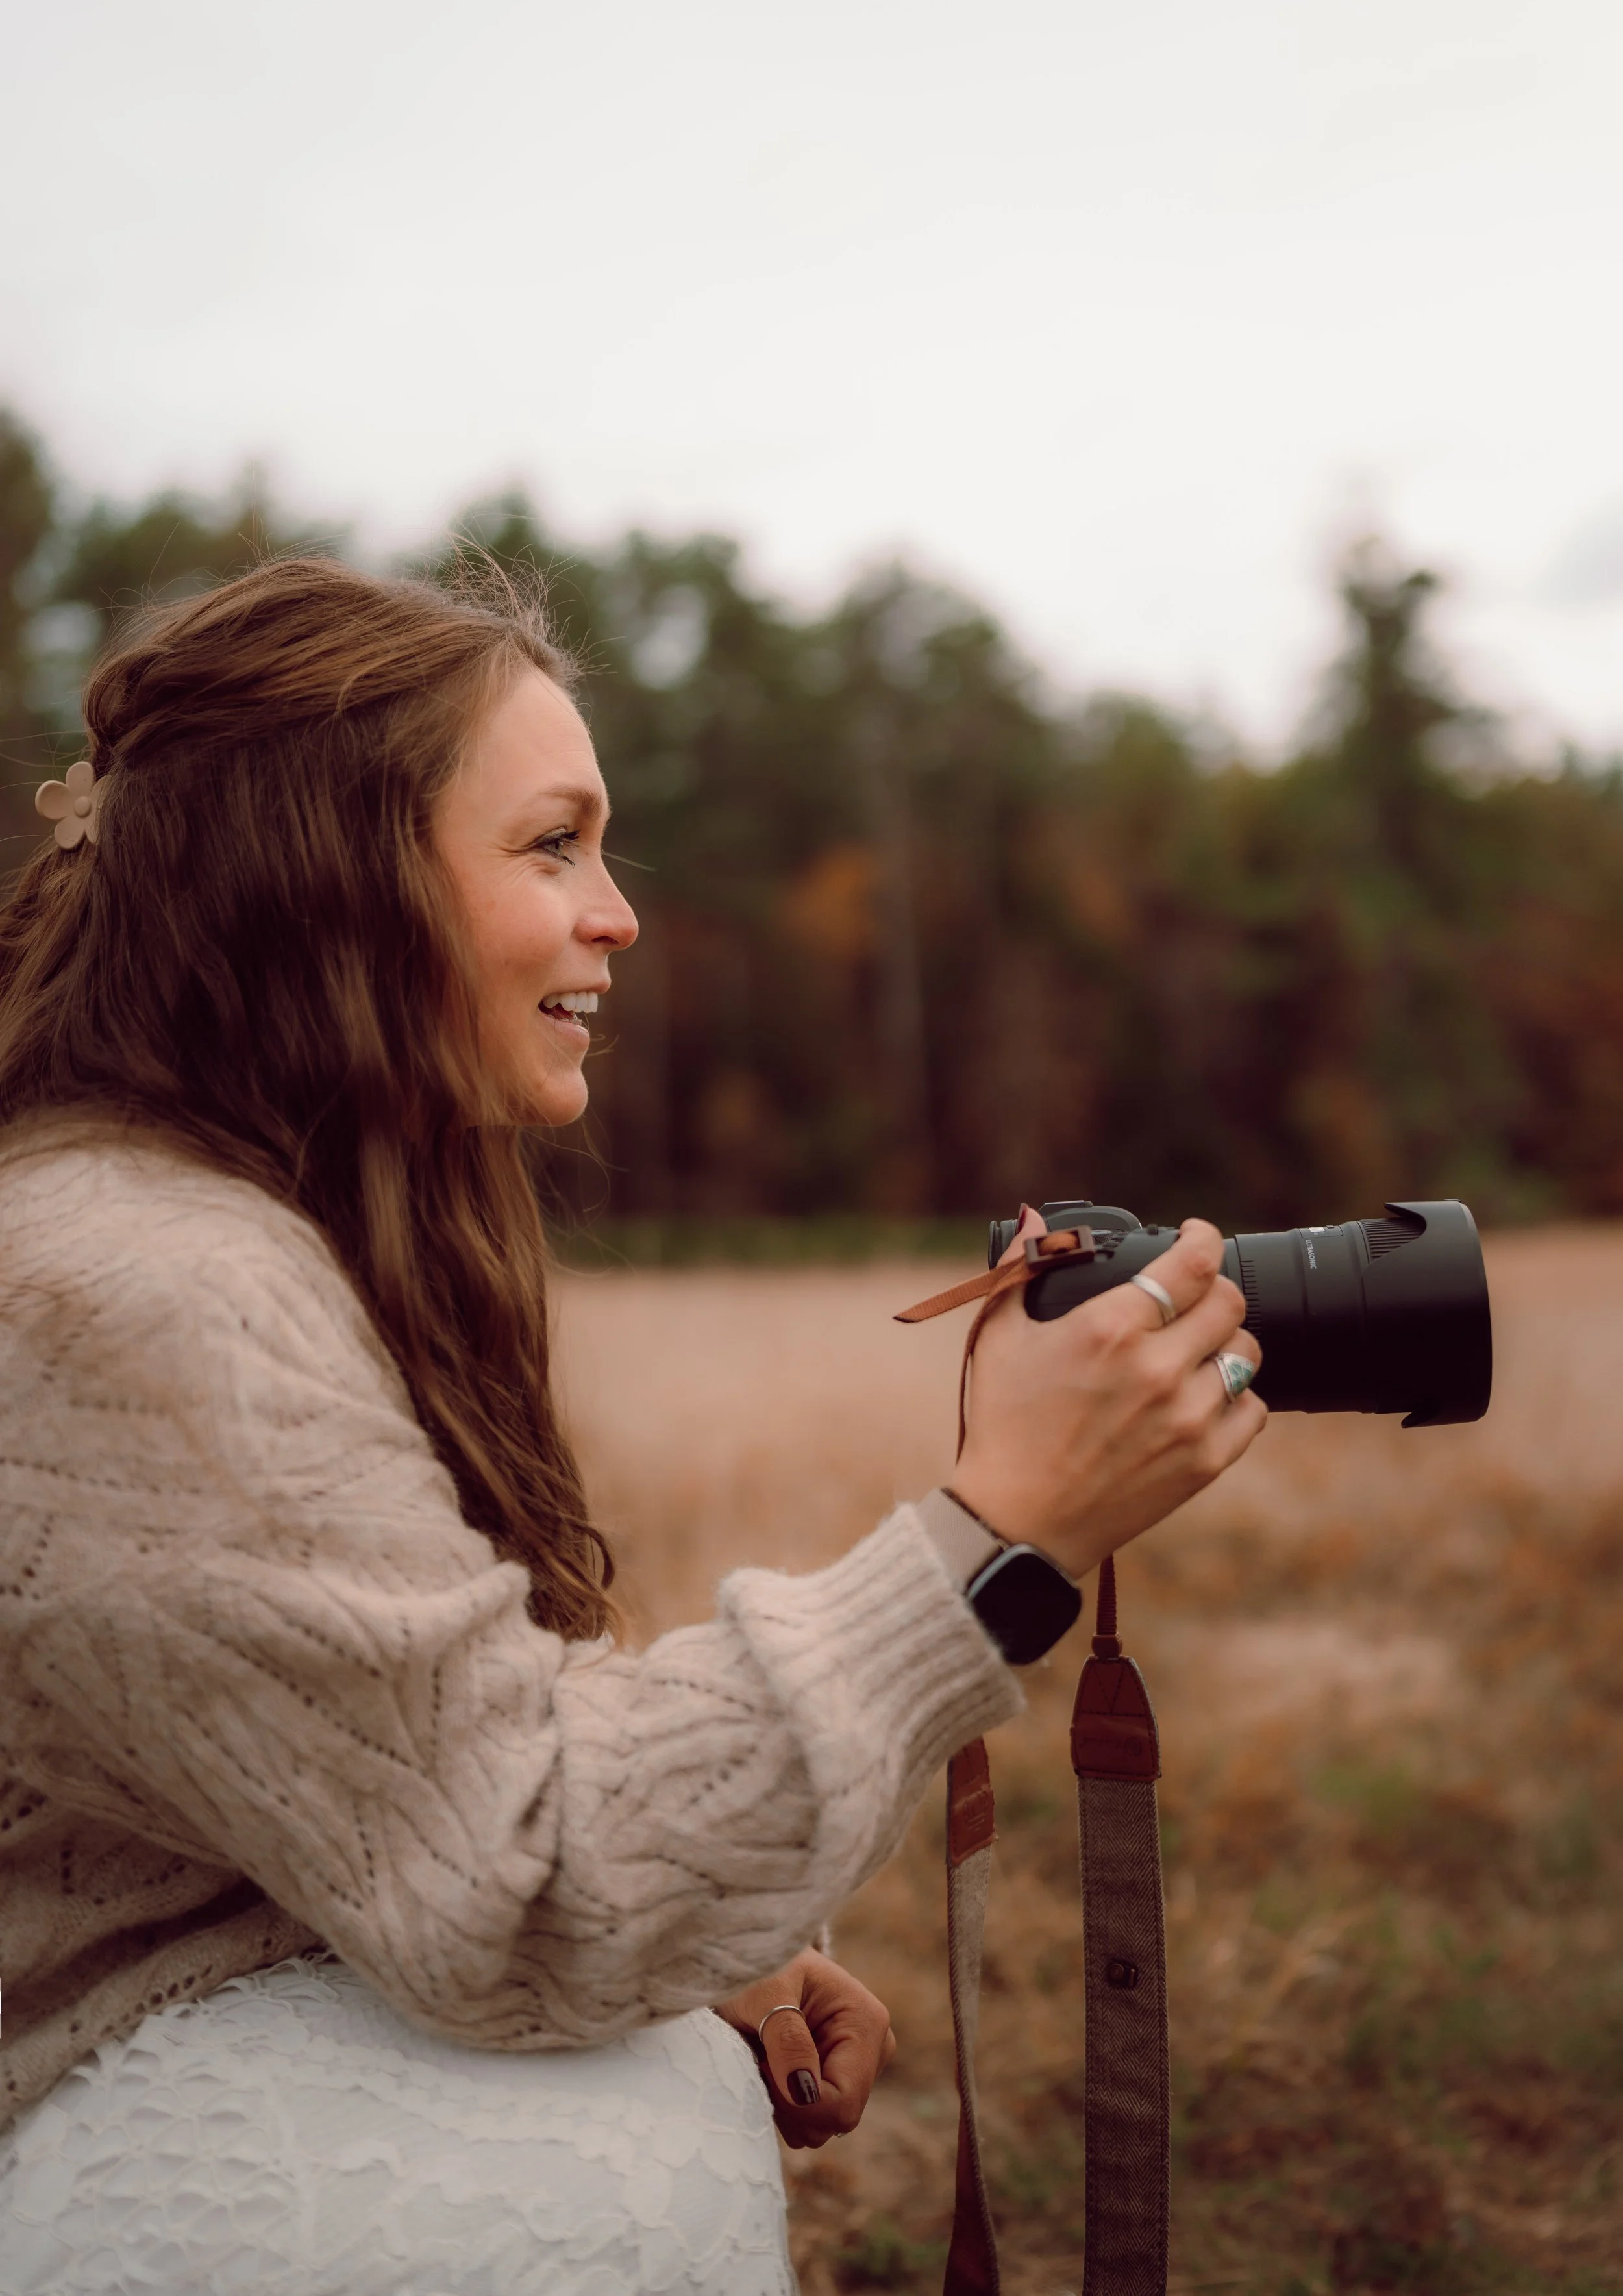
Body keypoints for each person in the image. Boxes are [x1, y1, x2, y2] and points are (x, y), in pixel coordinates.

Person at [0, 558, 1265, 2294]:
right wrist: (997, 1534)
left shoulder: (198, 1232)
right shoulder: (143, 1288)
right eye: (549, 843)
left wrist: (717, 1954)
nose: (618, 914)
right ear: (332, 884)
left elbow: (377, 1738)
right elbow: (520, 1871)